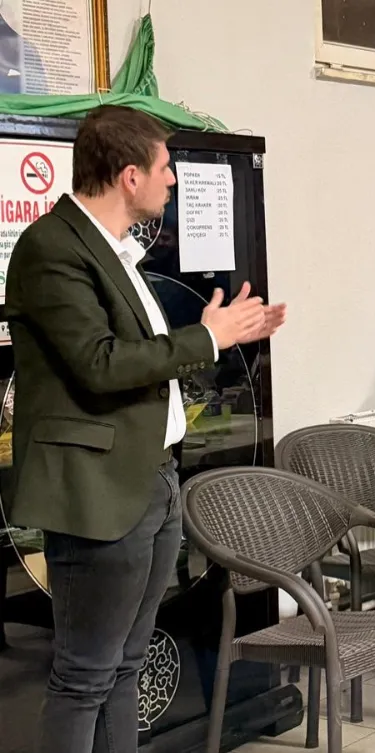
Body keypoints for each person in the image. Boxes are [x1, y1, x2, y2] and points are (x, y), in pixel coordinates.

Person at [5, 105, 287, 753]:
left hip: (152, 479)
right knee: (84, 675)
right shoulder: (51, 247)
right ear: (129, 176)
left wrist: (212, 335)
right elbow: (99, 364)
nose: (173, 179)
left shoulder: (115, 250)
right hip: (99, 492)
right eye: (165, 167)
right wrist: (207, 338)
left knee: (126, 664)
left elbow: (139, 359)